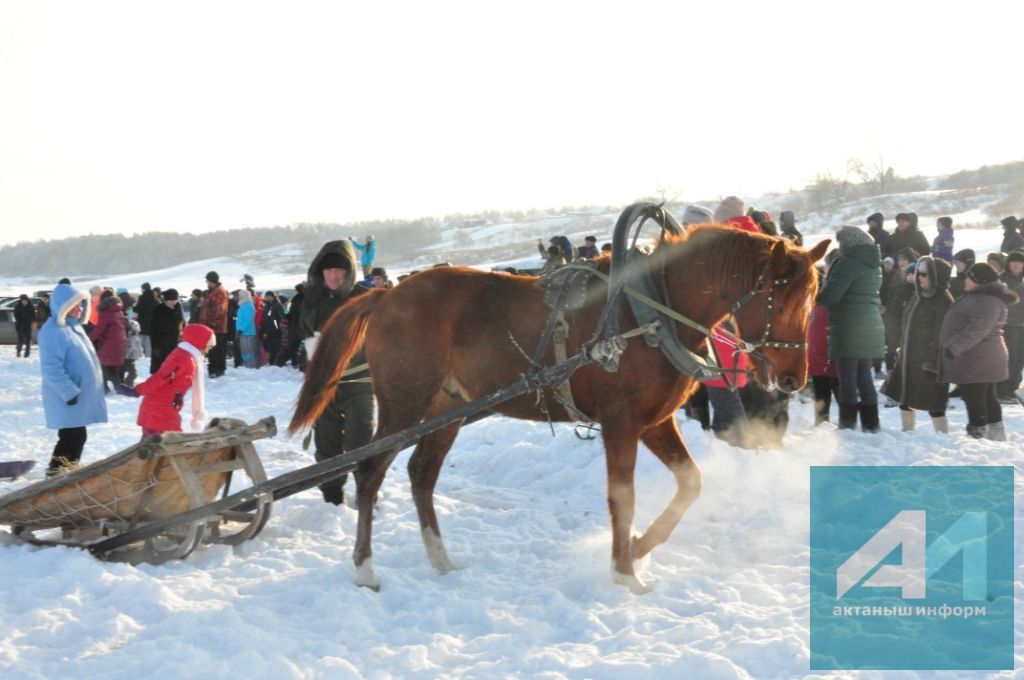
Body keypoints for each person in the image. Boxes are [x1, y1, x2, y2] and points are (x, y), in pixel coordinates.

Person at [300, 240, 374, 505]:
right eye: (328, 270)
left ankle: (367, 493)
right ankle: (332, 497)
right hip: (324, 384)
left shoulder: (363, 299)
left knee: (361, 441)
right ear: (320, 272)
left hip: (361, 382)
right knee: (327, 443)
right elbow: (306, 336)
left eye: (339, 270)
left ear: (349, 272)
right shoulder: (310, 301)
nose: (333, 276)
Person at [816, 226, 885, 432]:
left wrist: (816, 292)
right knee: (865, 378)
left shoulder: (847, 264)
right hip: (870, 326)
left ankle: (847, 424)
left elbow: (830, 297)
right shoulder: (873, 265)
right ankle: (871, 423)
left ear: (848, 243)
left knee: (847, 379)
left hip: (848, 327)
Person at [939, 262, 1019, 440]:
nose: (965, 280)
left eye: (969, 277)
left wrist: (954, 346)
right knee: (986, 395)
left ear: (979, 280)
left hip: (980, 357)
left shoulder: (987, 301)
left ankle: (978, 434)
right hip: (979, 356)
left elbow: (977, 330)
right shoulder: (980, 296)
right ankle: (994, 435)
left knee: (975, 396)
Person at [38, 282, 107, 477]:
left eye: (80, 304)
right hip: (68, 397)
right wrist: (68, 391)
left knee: (76, 436)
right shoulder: (53, 331)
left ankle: (65, 474)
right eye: (74, 305)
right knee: (72, 437)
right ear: (63, 307)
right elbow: (51, 368)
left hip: (77, 396)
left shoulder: (73, 327)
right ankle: (56, 476)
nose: (79, 308)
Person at [880, 256, 954, 432]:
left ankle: (942, 438)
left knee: (934, 403)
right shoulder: (918, 295)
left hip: (930, 361)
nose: (919, 277)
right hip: (909, 357)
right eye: (918, 273)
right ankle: (908, 433)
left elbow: (942, 335)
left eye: (924, 274)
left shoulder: (943, 300)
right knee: (905, 399)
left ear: (936, 277)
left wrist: (933, 361)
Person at [122, 324, 217, 437]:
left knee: (154, 446)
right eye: (208, 346)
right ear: (200, 342)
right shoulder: (182, 359)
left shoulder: (187, 357)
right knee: (171, 445)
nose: (207, 351)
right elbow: (160, 378)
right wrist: (137, 391)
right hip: (160, 409)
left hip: (163, 407)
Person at [997, 250, 1024, 403]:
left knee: (1019, 359)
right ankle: (1001, 390)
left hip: (1022, 324)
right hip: (1008, 324)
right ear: (1008, 264)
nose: (1017, 265)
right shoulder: (1002, 280)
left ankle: (1012, 388)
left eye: (1020, 262)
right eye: (1013, 262)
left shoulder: (1022, 280)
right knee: (1009, 358)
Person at [89, 289, 128, 394]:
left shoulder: (105, 312)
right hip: (120, 343)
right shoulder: (119, 311)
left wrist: (88, 340)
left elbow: (99, 330)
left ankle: (113, 389)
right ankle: (115, 388)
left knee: (104, 367)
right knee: (112, 368)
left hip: (109, 344)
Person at [198, 271, 229, 377]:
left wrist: (211, 321)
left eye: (207, 280)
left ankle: (218, 370)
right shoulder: (212, 291)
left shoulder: (219, 292)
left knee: (217, 349)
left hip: (216, 327)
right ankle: (213, 369)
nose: (206, 282)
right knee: (212, 349)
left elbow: (219, 311)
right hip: (210, 326)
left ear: (212, 281)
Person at [149, 288, 185, 373]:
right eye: (171, 300)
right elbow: (153, 330)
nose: (174, 302)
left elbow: (182, 323)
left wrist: (183, 335)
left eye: (175, 299)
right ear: (166, 300)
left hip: (177, 342)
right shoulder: (158, 310)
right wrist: (156, 347)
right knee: (162, 369)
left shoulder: (178, 307)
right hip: (162, 344)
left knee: (175, 367)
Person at [260, 290, 286, 365]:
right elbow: (265, 318)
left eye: (269, 296)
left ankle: (278, 362)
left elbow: (281, 317)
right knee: (270, 347)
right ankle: (272, 361)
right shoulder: (267, 306)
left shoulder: (277, 305)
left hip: (276, 330)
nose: (268, 298)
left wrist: (278, 328)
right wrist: (263, 330)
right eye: (266, 297)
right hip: (268, 330)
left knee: (277, 347)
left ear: (272, 296)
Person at [134, 282, 159, 357]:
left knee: (141, 340)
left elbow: (137, 309)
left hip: (143, 322)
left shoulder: (142, 297)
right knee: (149, 341)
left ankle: (140, 356)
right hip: (153, 323)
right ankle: (148, 357)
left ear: (144, 289)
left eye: (141, 289)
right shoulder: (156, 299)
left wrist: (134, 308)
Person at [235, 289, 259, 368]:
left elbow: (248, 320)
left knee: (249, 350)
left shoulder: (248, 305)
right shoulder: (243, 305)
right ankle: (247, 363)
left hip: (247, 332)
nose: (238, 297)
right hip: (243, 332)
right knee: (245, 350)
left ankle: (251, 365)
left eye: (240, 296)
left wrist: (241, 329)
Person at [14, 294, 35, 358]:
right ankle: (18, 352)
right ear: (21, 300)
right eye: (22, 300)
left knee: (28, 341)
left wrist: (28, 318)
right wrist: (19, 321)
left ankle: (27, 354)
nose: (24, 302)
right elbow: (15, 315)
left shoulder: (30, 306)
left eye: (25, 301)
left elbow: (33, 316)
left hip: (27, 326)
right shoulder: (18, 306)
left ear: (27, 300)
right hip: (19, 326)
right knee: (20, 340)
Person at [123, 318, 143, 388]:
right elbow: (135, 348)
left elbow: (138, 348)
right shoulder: (131, 339)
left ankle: (129, 384)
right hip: (129, 358)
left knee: (132, 372)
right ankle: (126, 384)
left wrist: (140, 354)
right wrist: (139, 354)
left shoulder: (133, 338)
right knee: (133, 373)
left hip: (131, 358)